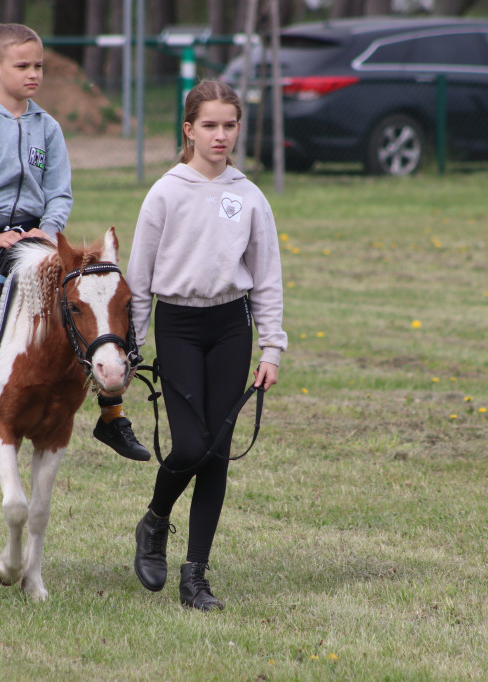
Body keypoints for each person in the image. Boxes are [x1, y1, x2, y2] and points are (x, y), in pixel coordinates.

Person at [0, 23, 148, 484]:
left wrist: (49, 229)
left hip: (40, 237)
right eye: (23, 66)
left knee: (99, 303)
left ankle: (112, 414)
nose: (33, 73)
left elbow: (60, 191)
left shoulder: (49, 126)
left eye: (38, 65)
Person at [125, 80, 287, 611]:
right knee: (190, 446)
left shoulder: (249, 195)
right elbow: (140, 279)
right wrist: (133, 344)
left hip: (231, 328)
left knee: (217, 453)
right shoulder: (166, 193)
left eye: (230, 125)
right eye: (210, 126)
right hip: (179, 327)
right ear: (189, 130)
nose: (221, 136)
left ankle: (195, 575)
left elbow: (266, 277)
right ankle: (154, 521)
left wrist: (271, 348)